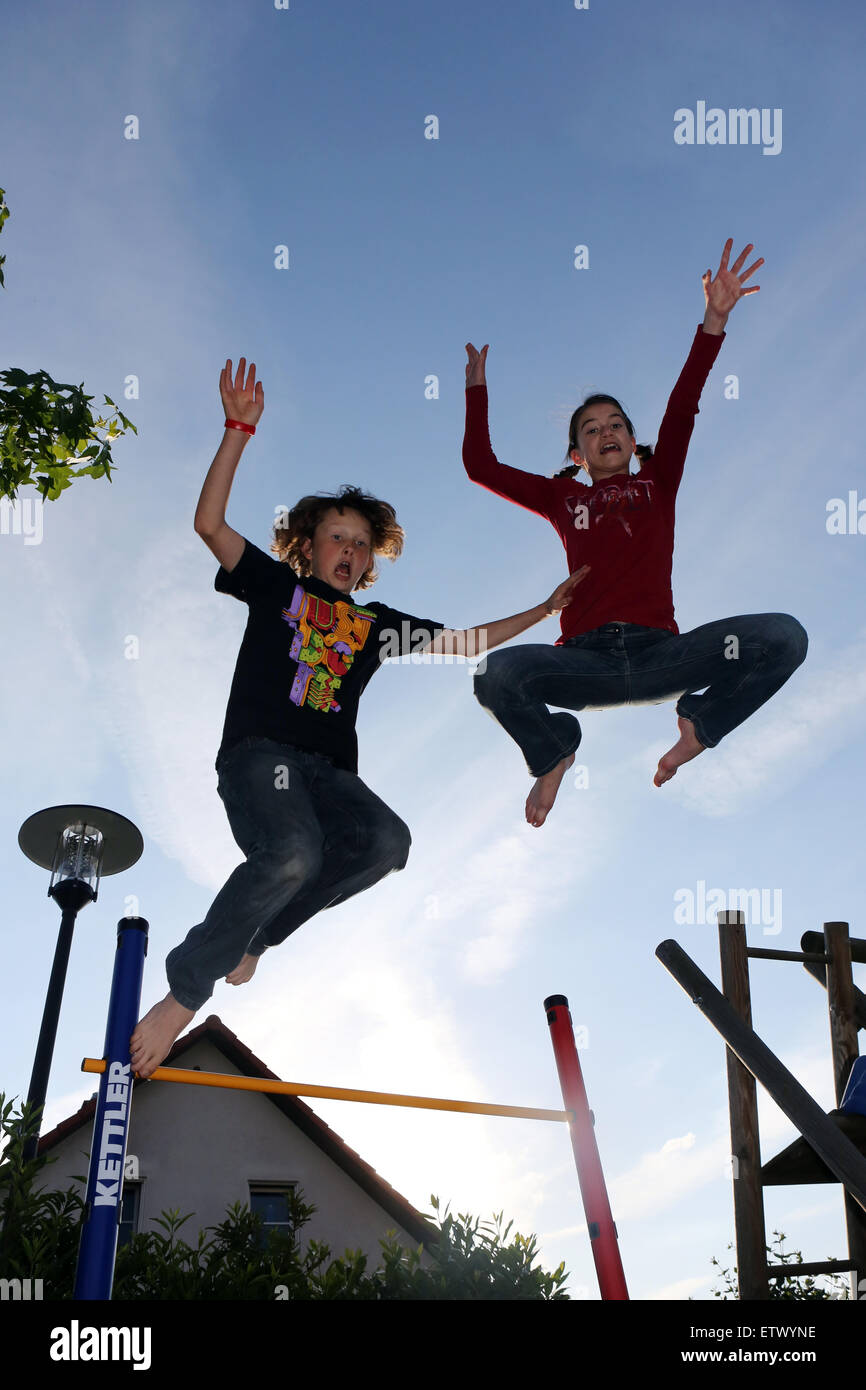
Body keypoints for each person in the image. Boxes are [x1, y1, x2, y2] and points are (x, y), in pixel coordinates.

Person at [130, 357, 587, 1077]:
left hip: (329, 776)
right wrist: (237, 431)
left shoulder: (375, 624)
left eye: (360, 544)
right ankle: (185, 989)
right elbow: (208, 523)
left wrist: (545, 609)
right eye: (336, 538)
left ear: (371, 561)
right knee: (292, 853)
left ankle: (259, 936)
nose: (349, 550)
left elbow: (464, 642)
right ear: (308, 546)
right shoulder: (276, 587)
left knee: (385, 840)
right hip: (260, 757)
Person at [463, 240, 808, 828]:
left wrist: (714, 322)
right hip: (584, 664)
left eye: (616, 424)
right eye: (592, 429)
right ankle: (553, 749)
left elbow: (683, 405)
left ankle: (700, 725)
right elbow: (481, 467)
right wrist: (476, 391)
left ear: (632, 437)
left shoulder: (659, 482)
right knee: (494, 674)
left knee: (784, 635)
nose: (607, 433)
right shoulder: (562, 496)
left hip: (662, 655)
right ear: (577, 452)